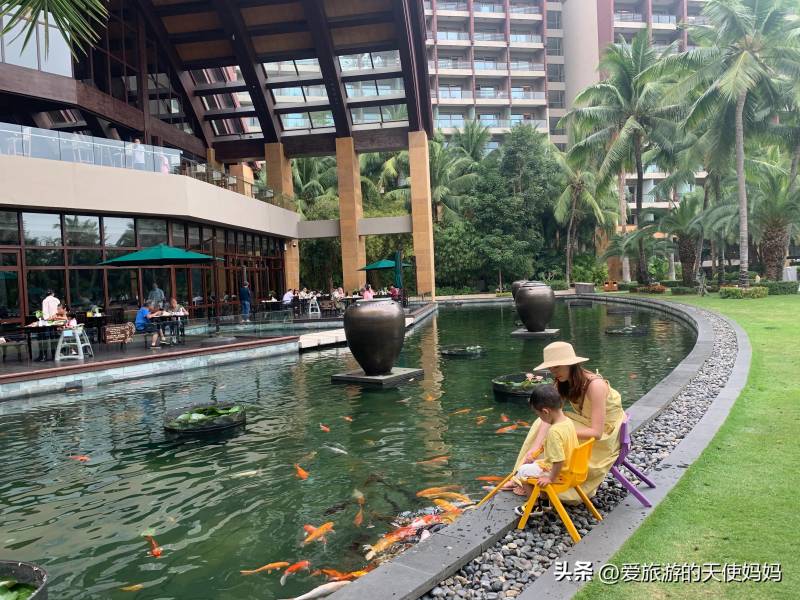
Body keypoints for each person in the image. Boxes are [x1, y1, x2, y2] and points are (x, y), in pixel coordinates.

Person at [505, 341, 624, 503]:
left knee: (555, 433)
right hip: (586, 424)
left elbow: (597, 432)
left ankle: (538, 477)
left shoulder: (595, 386)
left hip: (605, 435)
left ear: (571, 365)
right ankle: (520, 473)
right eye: (551, 368)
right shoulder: (562, 382)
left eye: (557, 367)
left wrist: (561, 432)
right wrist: (533, 449)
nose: (553, 372)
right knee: (541, 423)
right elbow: (549, 415)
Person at [511, 385, 578, 516]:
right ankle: (545, 501)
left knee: (522, 471)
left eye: (538, 414)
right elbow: (562, 446)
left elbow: (558, 460)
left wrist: (550, 478)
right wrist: (540, 448)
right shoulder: (568, 422)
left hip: (559, 472)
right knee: (536, 464)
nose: (539, 418)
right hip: (571, 468)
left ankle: (534, 505)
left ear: (545, 412)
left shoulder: (554, 431)